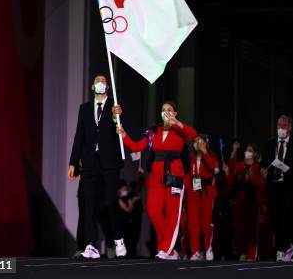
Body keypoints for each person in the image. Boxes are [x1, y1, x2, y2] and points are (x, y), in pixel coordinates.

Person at [116, 100, 197, 260]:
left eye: (169, 110)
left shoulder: (179, 130)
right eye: (163, 109)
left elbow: (193, 135)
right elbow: (136, 146)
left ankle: (166, 249)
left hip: (174, 173)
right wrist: (123, 134)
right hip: (156, 175)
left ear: (174, 113)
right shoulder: (154, 131)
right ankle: (169, 249)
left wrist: (177, 123)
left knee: (173, 213)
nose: (165, 112)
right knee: (153, 211)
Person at [67, 74, 126, 259]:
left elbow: (120, 133)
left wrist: (118, 118)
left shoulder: (114, 107)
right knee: (89, 205)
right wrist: (73, 162)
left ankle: (118, 237)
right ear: (93, 86)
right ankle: (90, 245)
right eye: (97, 81)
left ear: (107, 87)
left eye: (104, 81)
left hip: (110, 163)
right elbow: (79, 136)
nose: (100, 83)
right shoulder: (84, 109)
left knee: (109, 201)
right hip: (90, 163)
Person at [260, 115, 293, 262]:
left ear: (290, 128)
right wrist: (263, 170)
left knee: (287, 219)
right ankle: (282, 248)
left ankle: (285, 248)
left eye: (284, 125)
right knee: (274, 218)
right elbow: (264, 163)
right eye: (279, 125)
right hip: (273, 186)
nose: (281, 128)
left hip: (290, 187)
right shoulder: (270, 144)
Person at [223, 143, 265, 261]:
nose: (247, 152)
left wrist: (253, 177)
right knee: (239, 228)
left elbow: (262, 186)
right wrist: (227, 173)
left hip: (253, 201)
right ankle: (242, 251)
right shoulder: (239, 165)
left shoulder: (257, 167)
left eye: (250, 150)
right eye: (246, 150)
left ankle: (252, 253)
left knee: (252, 229)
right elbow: (231, 182)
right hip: (240, 201)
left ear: (255, 154)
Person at [185, 135, 219, 260]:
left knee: (206, 223)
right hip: (194, 192)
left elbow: (213, 167)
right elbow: (187, 176)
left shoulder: (211, 156)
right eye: (195, 141)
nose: (197, 143)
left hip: (207, 192)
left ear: (205, 143)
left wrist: (205, 152)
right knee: (193, 223)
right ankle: (195, 251)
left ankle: (208, 248)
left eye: (199, 141)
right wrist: (188, 191)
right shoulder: (191, 158)